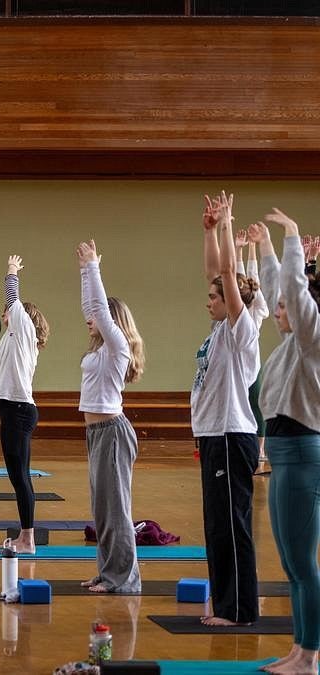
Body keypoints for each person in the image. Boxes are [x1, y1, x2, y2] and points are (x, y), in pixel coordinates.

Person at [250, 212, 320, 675]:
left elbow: (294, 294)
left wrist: (292, 238)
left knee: (302, 563)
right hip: (282, 456)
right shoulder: (292, 345)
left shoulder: (314, 341)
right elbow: (284, 290)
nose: (278, 311)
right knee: (292, 564)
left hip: (301, 455)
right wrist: (266, 250)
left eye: (285, 309)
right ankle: (299, 649)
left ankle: (310, 656)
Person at [191, 192, 261, 627]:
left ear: (233, 300)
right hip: (214, 436)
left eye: (217, 297)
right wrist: (210, 231)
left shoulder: (242, 330)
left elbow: (228, 274)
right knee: (217, 529)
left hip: (233, 436)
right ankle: (224, 605)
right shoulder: (219, 332)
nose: (210, 299)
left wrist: (228, 223)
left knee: (232, 530)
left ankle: (238, 611)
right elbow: (214, 272)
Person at [76, 239, 144, 594]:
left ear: (114, 324)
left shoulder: (116, 348)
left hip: (113, 432)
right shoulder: (102, 349)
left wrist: (92, 267)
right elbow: (93, 306)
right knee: (102, 509)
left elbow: (99, 310)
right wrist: (84, 272)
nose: (90, 318)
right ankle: (107, 571)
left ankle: (124, 579)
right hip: (97, 433)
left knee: (116, 509)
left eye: (100, 316)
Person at [0, 255, 49, 553]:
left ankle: (27, 539)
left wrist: (11, 270)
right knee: (18, 475)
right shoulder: (13, 339)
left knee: (20, 476)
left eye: (9, 312)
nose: (6, 314)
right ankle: (26, 536)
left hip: (19, 410)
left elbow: (13, 297)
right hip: (12, 409)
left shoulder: (23, 327)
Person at [234, 228, 270, 467]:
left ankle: (260, 449)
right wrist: (237, 249)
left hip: (252, 366)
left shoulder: (255, 311)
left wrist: (251, 248)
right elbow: (237, 280)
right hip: (236, 367)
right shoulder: (236, 312)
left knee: (257, 405)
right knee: (239, 406)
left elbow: (251, 281)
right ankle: (240, 445)